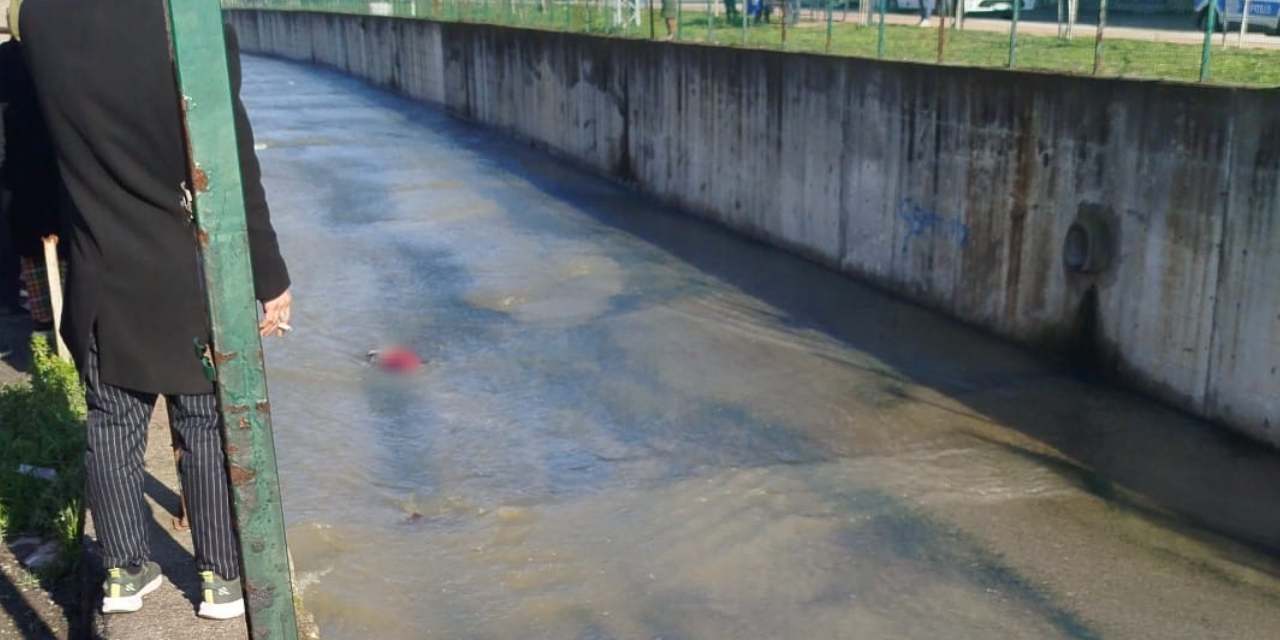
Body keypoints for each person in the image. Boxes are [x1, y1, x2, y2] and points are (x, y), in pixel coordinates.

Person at [17, 0, 293, 620]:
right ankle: (222, 577)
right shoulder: (190, 22)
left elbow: (32, 146)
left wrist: (33, 230)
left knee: (112, 423)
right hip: (190, 273)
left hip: (101, 264)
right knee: (204, 424)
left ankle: (122, 571)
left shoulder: (39, 19)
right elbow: (232, 161)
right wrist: (269, 277)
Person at [0, 29, 64, 331]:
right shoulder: (55, 51)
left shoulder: (6, 59)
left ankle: (41, 319)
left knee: (28, 246)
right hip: (56, 167)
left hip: (18, 172)